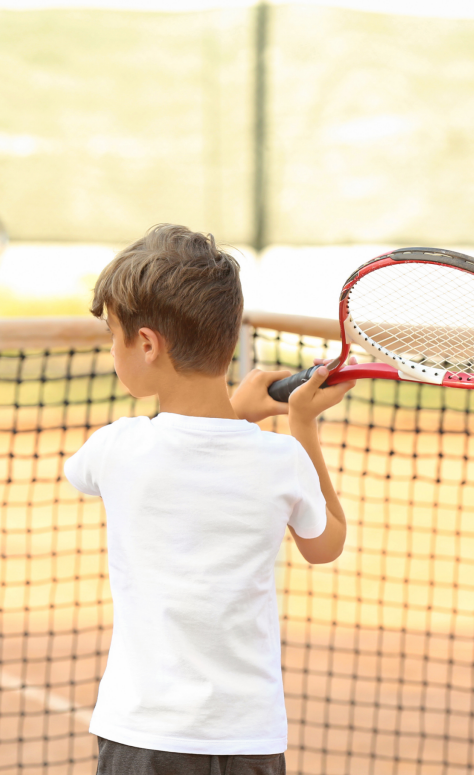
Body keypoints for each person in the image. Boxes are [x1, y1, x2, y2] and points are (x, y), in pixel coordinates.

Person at [64, 224, 351, 773]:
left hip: (142, 736)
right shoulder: (281, 462)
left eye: (115, 335)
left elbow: (113, 465)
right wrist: (301, 425)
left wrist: (236, 413)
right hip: (249, 740)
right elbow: (325, 544)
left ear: (147, 344)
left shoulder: (116, 449)